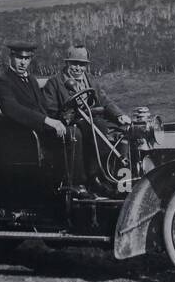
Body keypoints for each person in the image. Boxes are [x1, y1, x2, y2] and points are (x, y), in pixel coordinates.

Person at [0, 42, 86, 192]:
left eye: (27, 58)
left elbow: (43, 107)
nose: (23, 62)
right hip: (23, 135)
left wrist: (62, 118)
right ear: (11, 57)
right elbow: (13, 110)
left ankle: (92, 179)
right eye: (19, 58)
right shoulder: (3, 82)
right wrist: (47, 121)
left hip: (40, 129)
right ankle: (75, 185)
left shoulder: (31, 80)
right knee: (75, 134)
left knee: (82, 127)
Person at [45, 46, 129, 185]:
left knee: (122, 130)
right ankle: (93, 178)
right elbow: (51, 111)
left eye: (82, 64)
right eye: (74, 64)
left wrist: (119, 115)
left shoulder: (90, 81)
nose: (78, 68)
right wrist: (67, 114)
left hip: (92, 120)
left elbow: (104, 100)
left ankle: (117, 175)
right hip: (70, 124)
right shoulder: (54, 83)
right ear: (67, 63)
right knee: (96, 126)